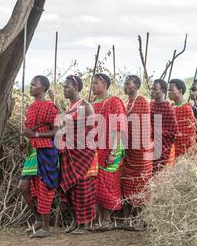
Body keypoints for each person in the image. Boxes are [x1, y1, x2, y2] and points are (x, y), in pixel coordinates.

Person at [19, 75, 60, 238]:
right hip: (32, 152)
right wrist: (26, 140)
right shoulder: (31, 106)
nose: (31, 86)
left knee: (44, 189)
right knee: (23, 187)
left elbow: (57, 131)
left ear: (43, 88)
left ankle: (46, 227)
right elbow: (29, 130)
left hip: (45, 151)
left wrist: (35, 134)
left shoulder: (50, 107)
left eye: (33, 84)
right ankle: (37, 219)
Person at [58, 75, 98, 235]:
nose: (64, 90)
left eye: (67, 87)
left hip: (84, 154)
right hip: (70, 153)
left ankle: (84, 224)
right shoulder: (71, 106)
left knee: (83, 189)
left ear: (76, 87)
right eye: (64, 87)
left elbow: (91, 131)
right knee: (68, 189)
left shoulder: (86, 106)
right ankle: (75, 220)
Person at [92, 73, 127, 230]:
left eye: (96, 83)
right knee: (96, 184)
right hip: (97, 148)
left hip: (111, 148)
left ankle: (107, 220)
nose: (93, 86)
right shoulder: (94, 103)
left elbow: (118, 128)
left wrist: (113, 152)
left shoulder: (114, 102)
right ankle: (100, 220)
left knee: (106, 183)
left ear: (105, 84)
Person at [120, 75, 153, 225]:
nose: (125, 86)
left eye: (128, 84)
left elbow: (149, 126)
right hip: (127, 149)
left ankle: (141, 219)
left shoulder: (144, 102)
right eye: (125, 83)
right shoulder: (125, 102)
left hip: (141, 151)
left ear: (136, 85)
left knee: (141, 183)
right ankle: (127, 219)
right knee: (125, 182)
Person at [150, 79, 177, 174]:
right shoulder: (150, 105)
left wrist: (153, 131)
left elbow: (173, 132)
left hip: (161, 147)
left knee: (157, 174)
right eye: (151, 88)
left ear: (164, 91)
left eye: (155, 89)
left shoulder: (168, 109)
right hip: (148, 146)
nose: (152, 91)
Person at [167, 78, 196, 158]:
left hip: (183, 151)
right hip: (169, 149)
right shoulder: (170, 107)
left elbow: (188, 135)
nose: (169, 93)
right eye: (168, 90)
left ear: (180, 91)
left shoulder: (186, 108)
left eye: (171, 90)